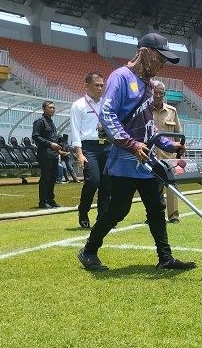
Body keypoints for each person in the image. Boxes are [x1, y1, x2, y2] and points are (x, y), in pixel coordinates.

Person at [77, 33, 195, 272]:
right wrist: (131, 144)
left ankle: (165, 257)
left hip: (146, 160)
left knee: (156, 207)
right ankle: (89, 250)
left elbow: (148, 127)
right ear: (145, 53)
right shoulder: (120, 77)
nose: (162, 65)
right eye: (160, 59)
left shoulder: (150, 86)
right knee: (118, 210)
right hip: (124, 159)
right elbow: (107, 116)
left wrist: (170, 146)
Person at [71, 72, 112, 228]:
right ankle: (83, 211)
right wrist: (79, 153)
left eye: (102, 85)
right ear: (87, 86)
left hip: (107, 146)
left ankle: (103, 217)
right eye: (97, 85)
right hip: (89, 147)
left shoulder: (107, 104)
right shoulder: (78, 105)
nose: (100, 88)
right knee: (93, 181)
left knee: (107, 184)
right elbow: (75, 131)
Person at [151, 79, 182, 223]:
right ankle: (154, 214)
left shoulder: (172, 111)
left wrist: (180, 151)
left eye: (160, 93)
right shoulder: (145, 111)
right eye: (155, 92)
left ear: (164, 94)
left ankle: (174, 216)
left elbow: (179, 134)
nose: (157, 95)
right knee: (152, 188)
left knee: (171, 188)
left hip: (169, 156)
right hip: (150, 155)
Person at [32, 101, 65, 208]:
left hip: (54, 155)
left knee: (53, 178)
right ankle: (42, 202)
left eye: (53, 108)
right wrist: (50, 144)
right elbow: (35, 136)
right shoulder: (40, 122)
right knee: (45, 178)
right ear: (44, 109)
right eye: (50, 107)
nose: (52, 109)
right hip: (45, 155)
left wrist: (59, 150)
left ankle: (50, 200)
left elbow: (52, 138)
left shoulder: (51, 122)